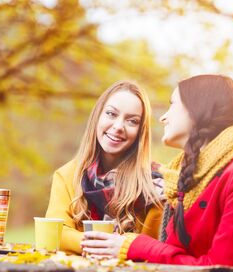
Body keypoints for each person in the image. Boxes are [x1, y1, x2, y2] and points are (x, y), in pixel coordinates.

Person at [81, 75, 233, 272]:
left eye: (172, 105)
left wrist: (136, 246)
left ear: (197, 110)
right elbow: (177, 259)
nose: (163, 117)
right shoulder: (188, 177)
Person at [45, 80, 164, 255]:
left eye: (132, 121)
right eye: (111, 114)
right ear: (97, 116)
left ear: (141, 131)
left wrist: (119, 248)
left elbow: (151, 249)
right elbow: (56, 232)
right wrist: (106, 245)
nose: (118, 127)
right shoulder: (67, 175)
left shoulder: (156, 185)